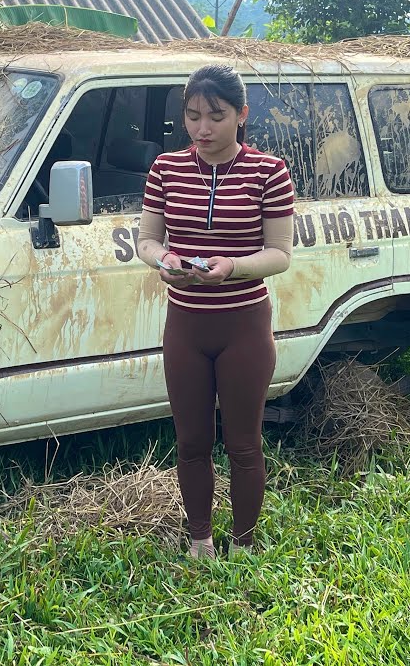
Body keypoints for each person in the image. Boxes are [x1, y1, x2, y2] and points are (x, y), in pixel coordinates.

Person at [135, 65, 295, 558]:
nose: (202, 129)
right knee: (191, 441)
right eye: (192, 116)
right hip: (185, 325)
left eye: (216, 117)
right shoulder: (166, 169)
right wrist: (164, 261)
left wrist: (233, 266)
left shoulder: (269, 172)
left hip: (243, 326)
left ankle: (243, 544)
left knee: (244, 443)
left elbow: (280, 254)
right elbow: (147, 240)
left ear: (242, 115)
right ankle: (200, 539)